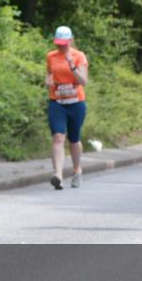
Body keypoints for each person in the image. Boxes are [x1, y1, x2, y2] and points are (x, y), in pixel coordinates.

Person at [45, 26, 89, 189]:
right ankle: (58, 174)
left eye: (64, 43)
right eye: (58, 43)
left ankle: (77, 170)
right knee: (58, 136)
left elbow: (83, 81)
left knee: (74, 139)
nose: (61, 46)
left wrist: (72, 65)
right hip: (57, 102)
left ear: (70, 41)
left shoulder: (79, 56)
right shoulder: (51, 56)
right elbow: (49, 74)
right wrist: (48, 81)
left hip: (76, 103)